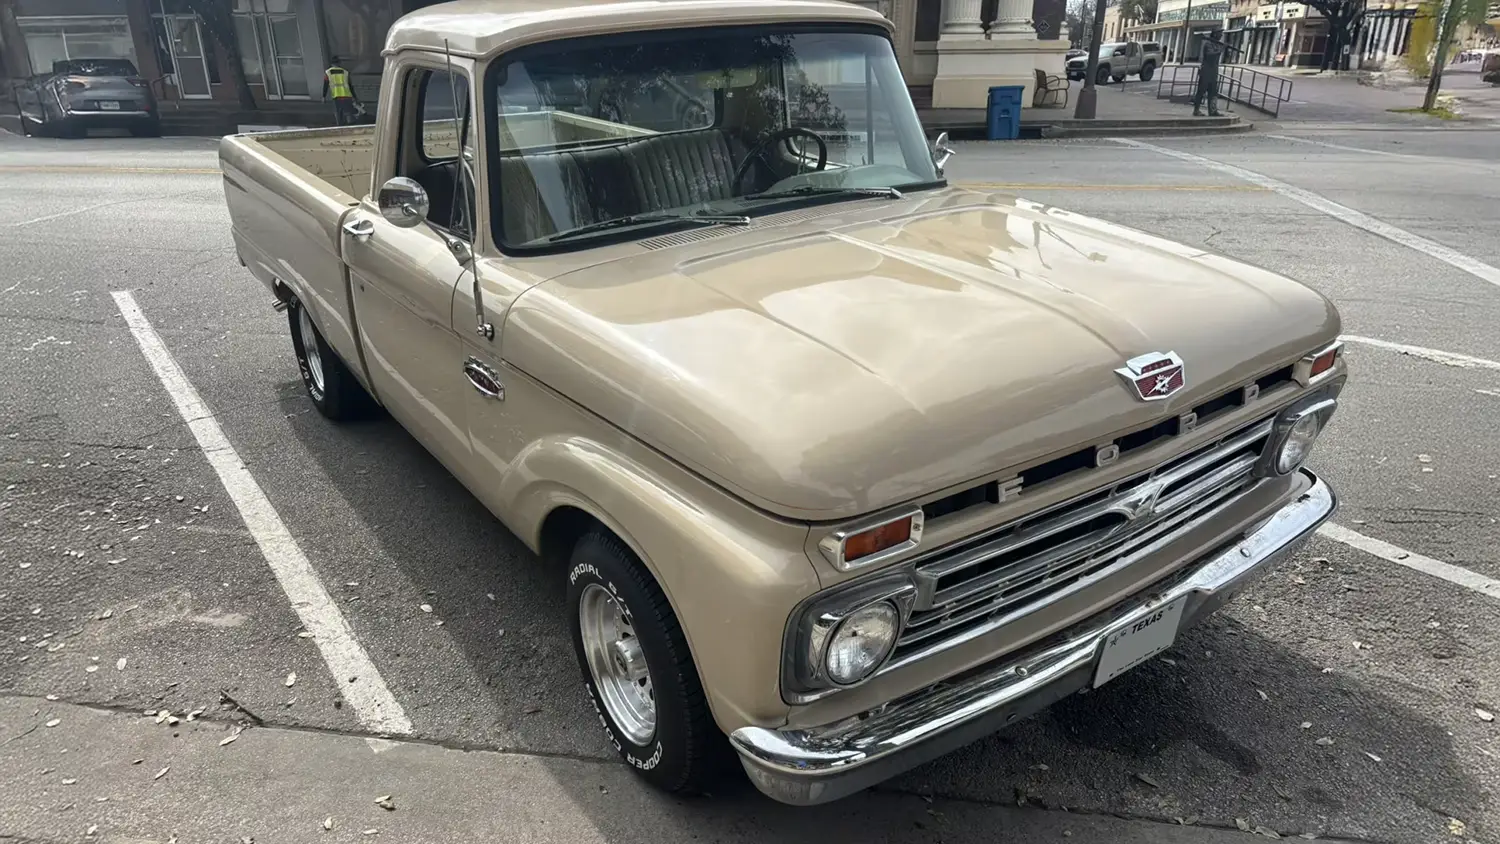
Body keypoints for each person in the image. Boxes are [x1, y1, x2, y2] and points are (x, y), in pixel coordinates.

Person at [1192, 31, 1237, 117]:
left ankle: (1212, 110)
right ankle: (1196, 110)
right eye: (1220, 34)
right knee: (1201, 91)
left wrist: (1221, 48)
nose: (1221, 35)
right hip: (1206, 71)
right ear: (1215, 34)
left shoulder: (1216, 44)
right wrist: (1222, 49)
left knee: (1213, 92)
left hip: (1213, 71)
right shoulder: (1208, 44)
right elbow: (1210, 55)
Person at [323, 58, 360, 126]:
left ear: (331, 64)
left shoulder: (328, 73)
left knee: (338, 113)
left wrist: (323, 96)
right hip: (347, 95)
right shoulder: (345, 72)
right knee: (349, 112)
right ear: (339, 63)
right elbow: (350, 86)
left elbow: (325, 84)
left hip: (336, 96)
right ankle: (351, 126)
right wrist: (355, 97)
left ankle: (340, 126)